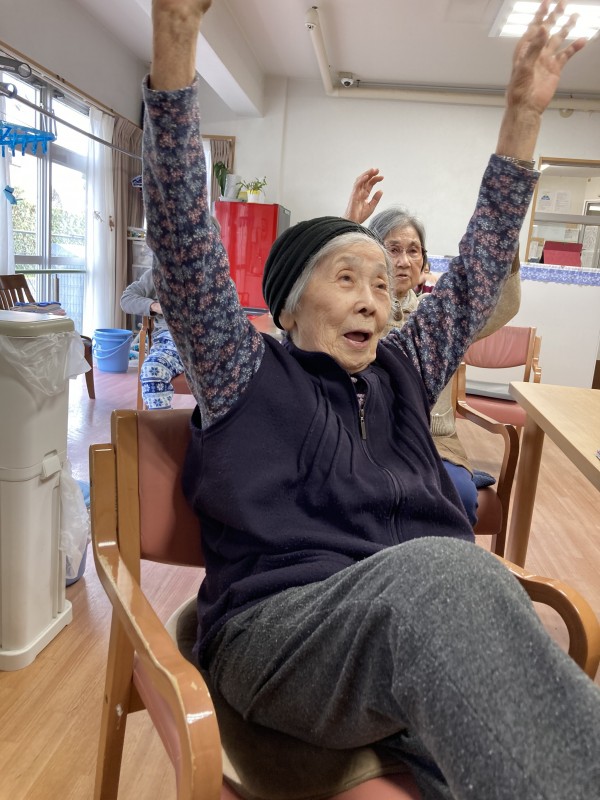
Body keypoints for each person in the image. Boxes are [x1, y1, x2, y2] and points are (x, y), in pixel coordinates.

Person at [143, 2, 599, 798]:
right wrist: (177, 36)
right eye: (346, 278)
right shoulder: (241, 370)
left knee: (470, 596)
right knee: (450, 574)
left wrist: (523, 116)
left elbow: (478, 270)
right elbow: (183, 238)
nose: (370, 298)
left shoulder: (403, 370)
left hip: (410, 628)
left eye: (383, 286)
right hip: (283, 633)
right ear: (288, 307)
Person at [343, 193, 521, 525]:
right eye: (393, 249)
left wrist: (504, 238)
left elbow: (500, 305)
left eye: (414, 251)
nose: (404, 261)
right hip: (366, 439)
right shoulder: (353, 313)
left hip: (434, 443)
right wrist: (348, 227)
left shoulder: (436, 315)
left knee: (457, 494)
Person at [120, 269, 186, 408]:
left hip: (212, 340)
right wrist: (154, 306)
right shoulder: (157, 273)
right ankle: (162, 422)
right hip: (171, 339)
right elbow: (126, 299)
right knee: (152, 369)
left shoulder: (214, 271)